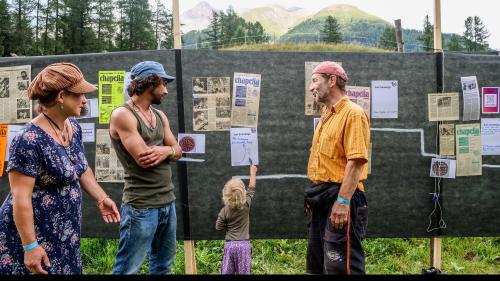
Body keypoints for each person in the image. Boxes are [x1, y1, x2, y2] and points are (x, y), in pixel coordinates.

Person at [0, 62, 121, 275]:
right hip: (35, 236)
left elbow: (81, 168)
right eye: (80, 94)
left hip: (65, 234)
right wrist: (30, 246)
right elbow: (21, 198)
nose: (84, 100)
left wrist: (101, 198)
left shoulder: (72, 126)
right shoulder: (28, 140)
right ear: (61, 96)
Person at [109, 61, 182, 275]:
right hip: (141, 206)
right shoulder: (123, 114)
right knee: (127, 269)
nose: (166, 90)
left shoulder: (160, 116)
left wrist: (166, 151)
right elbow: (144, 159)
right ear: (149, 83)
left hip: (168, 202)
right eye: (163, 83)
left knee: (162, 266)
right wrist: (168, 151)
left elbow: (177, 150)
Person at [305, 61, 370, 275]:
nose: (311, 87)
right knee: (317, 265)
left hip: (342, 200)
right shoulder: (326, 115)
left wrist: (342, 202)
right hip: (321, 199)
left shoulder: (353, 113)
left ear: (332, 80)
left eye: (315, 81)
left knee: (341, 268)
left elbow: (357, 161)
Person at [216, 164, 258, 275]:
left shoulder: (224, 211)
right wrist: (253, 172)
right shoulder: (246, 205)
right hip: (244, 246)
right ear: (243, 193)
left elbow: (218, 226)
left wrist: (227, 229)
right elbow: (252, 188)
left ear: (225, 195)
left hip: (230, 245)